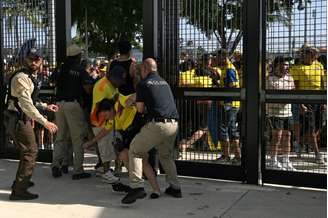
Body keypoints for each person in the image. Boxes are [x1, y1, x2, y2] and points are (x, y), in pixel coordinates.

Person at [121, 58, 181, 204]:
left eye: (141, 70)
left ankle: (136, 186)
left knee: (135, 150)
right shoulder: (164, 82)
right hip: (173, 125)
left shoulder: (143, 84)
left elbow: (140, 110)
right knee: (165, 156)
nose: (140, 73)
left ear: (145, 69)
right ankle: (175, 188)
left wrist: (133, 103)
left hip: (158, 125)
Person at [7, 48, 58, 200]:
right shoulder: (21, 77)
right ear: (26, 60)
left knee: (27, 152)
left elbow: (31, 101)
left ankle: (21, 183)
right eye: (31, 59)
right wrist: (45, 121)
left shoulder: (29, 76)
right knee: (30, 151)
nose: (34, 62)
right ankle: (19, 190)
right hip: (18, 119)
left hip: (20, 118)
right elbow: (26, 104)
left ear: (41, 60)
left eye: (37, 59)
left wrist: (45, 106)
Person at [51, 44, 93, 179]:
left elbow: (52, 81)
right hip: (73, 104)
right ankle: (78, 170)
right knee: (77, 138)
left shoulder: (60, 67)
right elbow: (88, 89)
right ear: (78, 56)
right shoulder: (80, 70)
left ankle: (56, 165)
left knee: (60, 137)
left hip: (59, 104)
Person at [89, 65, 129, 183]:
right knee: (105, 147)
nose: (121, 83)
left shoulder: (112, 85)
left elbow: (117, 97)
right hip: (100, 121)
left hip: (109, 120)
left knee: (112, 144)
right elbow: (103, 105)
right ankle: (106, 173)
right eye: (120, 80)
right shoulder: (102, 86)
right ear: (113, 77)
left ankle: (109, 169)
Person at [290, 45, 326, 164]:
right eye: (310, 53)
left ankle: (300, 142)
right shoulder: (297, 68)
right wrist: (300, 104)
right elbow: (296, 88)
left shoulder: (319, 65)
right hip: (305, 101)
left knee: (319, 126)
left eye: (314, 53)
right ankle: (317, 154)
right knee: (311, 128)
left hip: (318, 100)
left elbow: (322, 84)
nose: (314, 55)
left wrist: (324, 101)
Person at [266, 56, 296, 171]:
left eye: (288, 64)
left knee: (287, 136)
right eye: (284, 64)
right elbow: (274, 95)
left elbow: (292, 92)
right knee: (276, 137)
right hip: (275, 112)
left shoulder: (289, 78)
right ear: (277, 65)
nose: (286, 67)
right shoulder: (270, 79)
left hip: (288, 111)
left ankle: (286, 160)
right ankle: (273, 160)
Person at [215, 49, 241, 164]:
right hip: (229, 103)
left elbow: (232, 86)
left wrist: (226, 100)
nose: (216, 59)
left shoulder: (229, 69)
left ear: (223, 57)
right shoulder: (225, 68)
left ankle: (226, 156)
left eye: (218, 57)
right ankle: (237, 156)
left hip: (229, 104)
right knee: (231, 130)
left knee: (223, 128)